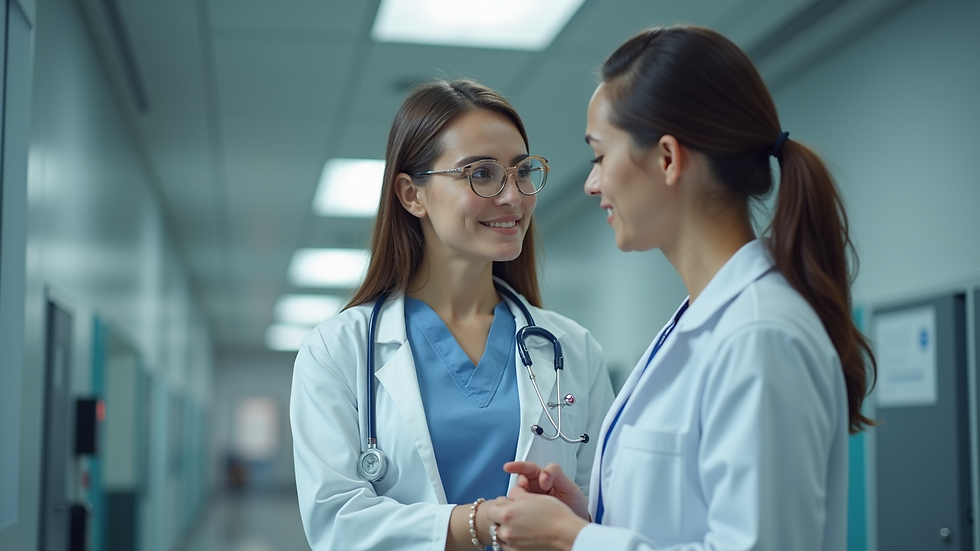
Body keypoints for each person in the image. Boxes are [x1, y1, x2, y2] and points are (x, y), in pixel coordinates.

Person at [484, 26, 877, 551]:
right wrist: (589, 518)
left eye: (600, 156)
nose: (592, 183)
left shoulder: (761, 335)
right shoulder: (699, 322)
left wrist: (573, 541)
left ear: (668, 159)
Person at [290, 79, 615, 551]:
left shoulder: (571, 348)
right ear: (411, 195)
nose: (512, 196)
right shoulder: (337, 350)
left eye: (522, 172)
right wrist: (479, 523)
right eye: (481, 174)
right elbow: (336, 522)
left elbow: (600, 510)